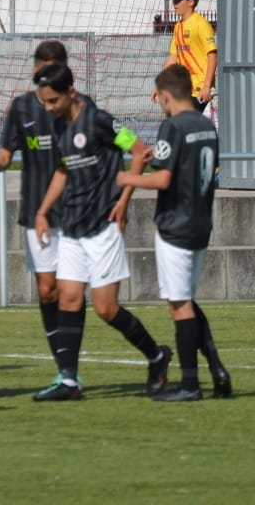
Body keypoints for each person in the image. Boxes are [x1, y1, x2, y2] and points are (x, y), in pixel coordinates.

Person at [30, 61, 170, 401]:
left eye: (52, 101)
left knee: (106, 309)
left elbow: (140, 151)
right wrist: (43, 211)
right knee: (68, 297)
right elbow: (63, 170)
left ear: (70, 92)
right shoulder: (59, 126)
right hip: (71, 226)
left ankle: (156, 356)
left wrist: (124, 200)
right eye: (44, 102)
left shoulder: (100, 120)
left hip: (102, 226)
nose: (48, 108)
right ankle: (68, 381)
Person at [116, 64, 231, 401]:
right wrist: (161, 158)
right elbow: (189, 165)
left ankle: (190, 384)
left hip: (176, 223)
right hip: (201, 221)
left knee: (179, 305)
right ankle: (217, 369)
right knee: (187, 301)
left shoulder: (172, 125)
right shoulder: (205, 125)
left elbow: (164, 179)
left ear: (166, 95)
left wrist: (125, 177)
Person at [0, 39, 71, 376]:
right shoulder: (21, 108)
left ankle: (68, 368)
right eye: (44, 72)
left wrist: (134, 149)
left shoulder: (77, 105)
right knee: (48, 290)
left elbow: (112, 132)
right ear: (35, 70)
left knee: (73, 292)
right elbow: (4, 158)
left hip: (76, 210)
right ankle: (65, 368)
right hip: (38, 214)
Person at [161, 0, 217, 113]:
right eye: (173, 1)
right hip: (185, 87)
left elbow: (213, 55)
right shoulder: (178, 27)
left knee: (185, 121)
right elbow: (173, 57)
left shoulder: (201, 24)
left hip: (200, 89)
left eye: (178, 1)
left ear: (191, 2)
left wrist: (207, 86)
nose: (174, 5)